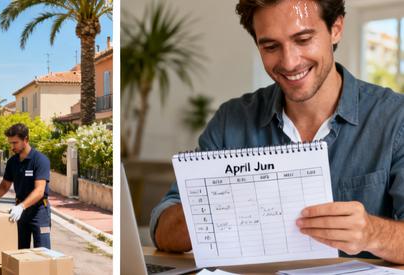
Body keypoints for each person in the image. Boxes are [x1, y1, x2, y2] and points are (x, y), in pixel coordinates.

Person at [151, 0, 404, 263]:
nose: (290, 61)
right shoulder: (231, 121)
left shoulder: (396, 118)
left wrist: (373, 233)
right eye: (271, 46)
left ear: (336, 28)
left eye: (303, 39)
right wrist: (215, 205)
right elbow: (162, 229)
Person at [0, 123, 52, 249]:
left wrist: (21, 206)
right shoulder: (12, 162)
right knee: (20, 251)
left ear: (26, 140)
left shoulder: (40, 160)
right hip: (20, 213)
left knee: (42, 252)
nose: (12, 147)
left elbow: (39, 191)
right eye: (10, 143)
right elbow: (4, 185)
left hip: (39, 211)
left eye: (15, 142)